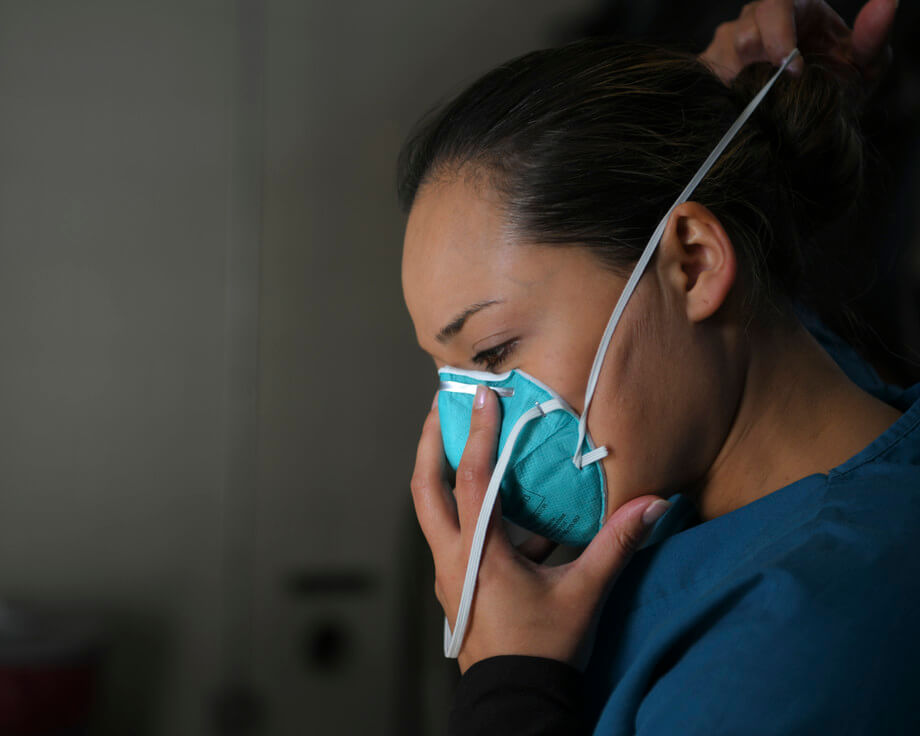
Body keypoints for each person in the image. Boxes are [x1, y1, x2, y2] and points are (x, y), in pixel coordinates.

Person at [399, 0, 915, 733]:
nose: (470, 428)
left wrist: (511, 685)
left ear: (696, 265)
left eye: (493, 352)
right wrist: (705, 115)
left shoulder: (800, 650)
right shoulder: (798, 428)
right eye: (452, 374)